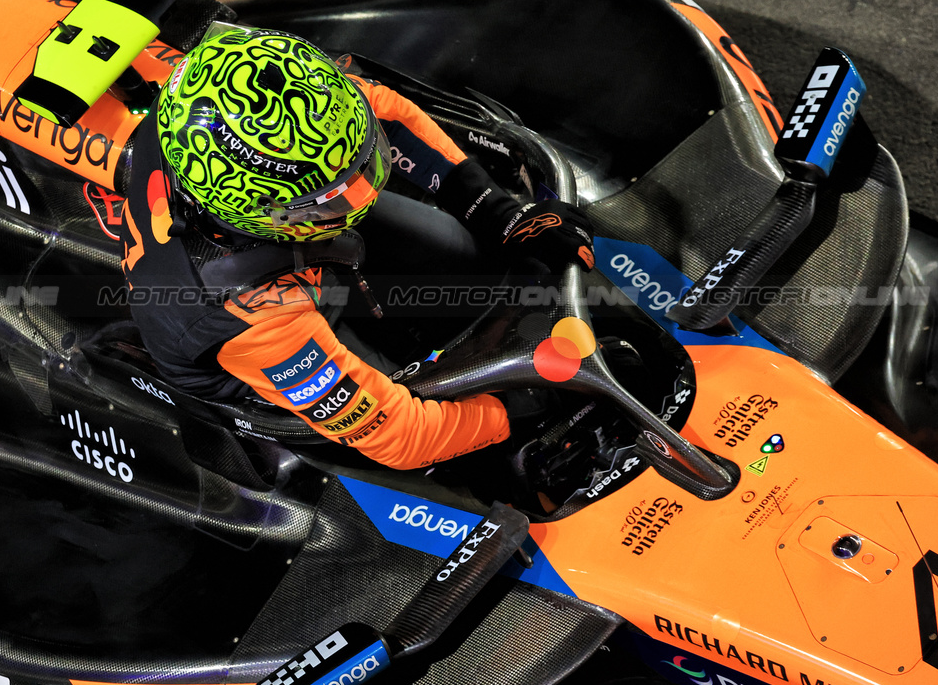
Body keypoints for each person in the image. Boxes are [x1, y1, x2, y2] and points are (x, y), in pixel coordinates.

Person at [122, 25, 595, 470]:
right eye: (341, 191)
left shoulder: (232, 97)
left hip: (290, 247)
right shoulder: (247, 316)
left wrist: (497, 213)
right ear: (268, 211)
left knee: (482, 265)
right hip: (257, 338)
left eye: (362, 162)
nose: (365, 192)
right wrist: (520, 408)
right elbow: (404, 437)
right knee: (474, 434)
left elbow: (386, 109)